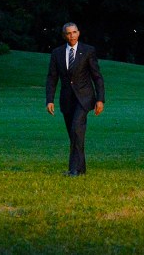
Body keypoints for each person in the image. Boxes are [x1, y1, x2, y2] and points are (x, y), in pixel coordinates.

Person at [46, 22, 105, 175]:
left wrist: (100, 99)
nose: (71, 36)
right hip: (66, 100)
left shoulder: (88, 51)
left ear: (78, 33)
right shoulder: (57, 53)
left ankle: (73, 170)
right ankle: (81, 168)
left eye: (74, 32)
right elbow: (52, 78)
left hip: (84, 98)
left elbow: (97, 77)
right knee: (74, 135)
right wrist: (49, 100)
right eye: (68, 33)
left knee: (76, 130)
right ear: (64, 35)